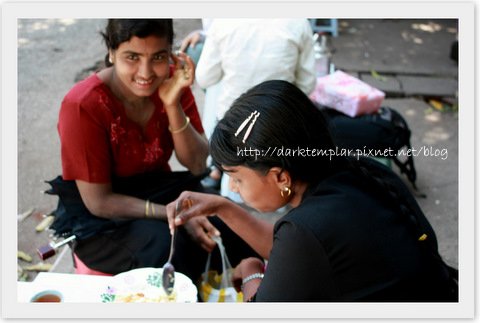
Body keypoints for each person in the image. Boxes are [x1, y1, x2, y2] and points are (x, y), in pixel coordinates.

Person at [166, 80, 458, 302]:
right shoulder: (359, 171)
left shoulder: (308, 228)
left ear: (280, 176)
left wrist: (254, 270)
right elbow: (300, 252)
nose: (232, 187)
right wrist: (222, 207)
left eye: (237, 178)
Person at [50, 19, 258, 280]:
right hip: (101, 219)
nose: (146, 72)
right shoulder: (83, 105)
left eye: (158, 57)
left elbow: (195, 163)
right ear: (112, 53)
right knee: (169, 248)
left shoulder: (172, 81)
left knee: (229, 222)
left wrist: (172, 104)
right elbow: (99, 202)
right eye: (132, 57)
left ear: (171, 53)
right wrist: (179, 215)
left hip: (160, 190)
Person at [194, 18, 317, 196]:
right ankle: (218, 167)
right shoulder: (298, 22)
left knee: (217, 88)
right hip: (276, 123)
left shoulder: (223, 22)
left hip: (232, 123)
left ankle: (216, 167)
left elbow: (205, 78)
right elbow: (307, 84)